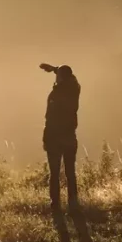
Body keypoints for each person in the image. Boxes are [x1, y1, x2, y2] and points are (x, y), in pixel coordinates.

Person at [41, 63, 81, 212]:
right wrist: (55, 69)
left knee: (55, 173)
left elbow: (50, 119)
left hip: (55, 138)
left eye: (58, 76)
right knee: (70, 171)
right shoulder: (74, 89)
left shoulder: (57, 94)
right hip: (70, 137)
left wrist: (46, 138)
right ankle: (73, 202)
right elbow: (73, 78)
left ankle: (55, 203)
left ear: (61, 78)